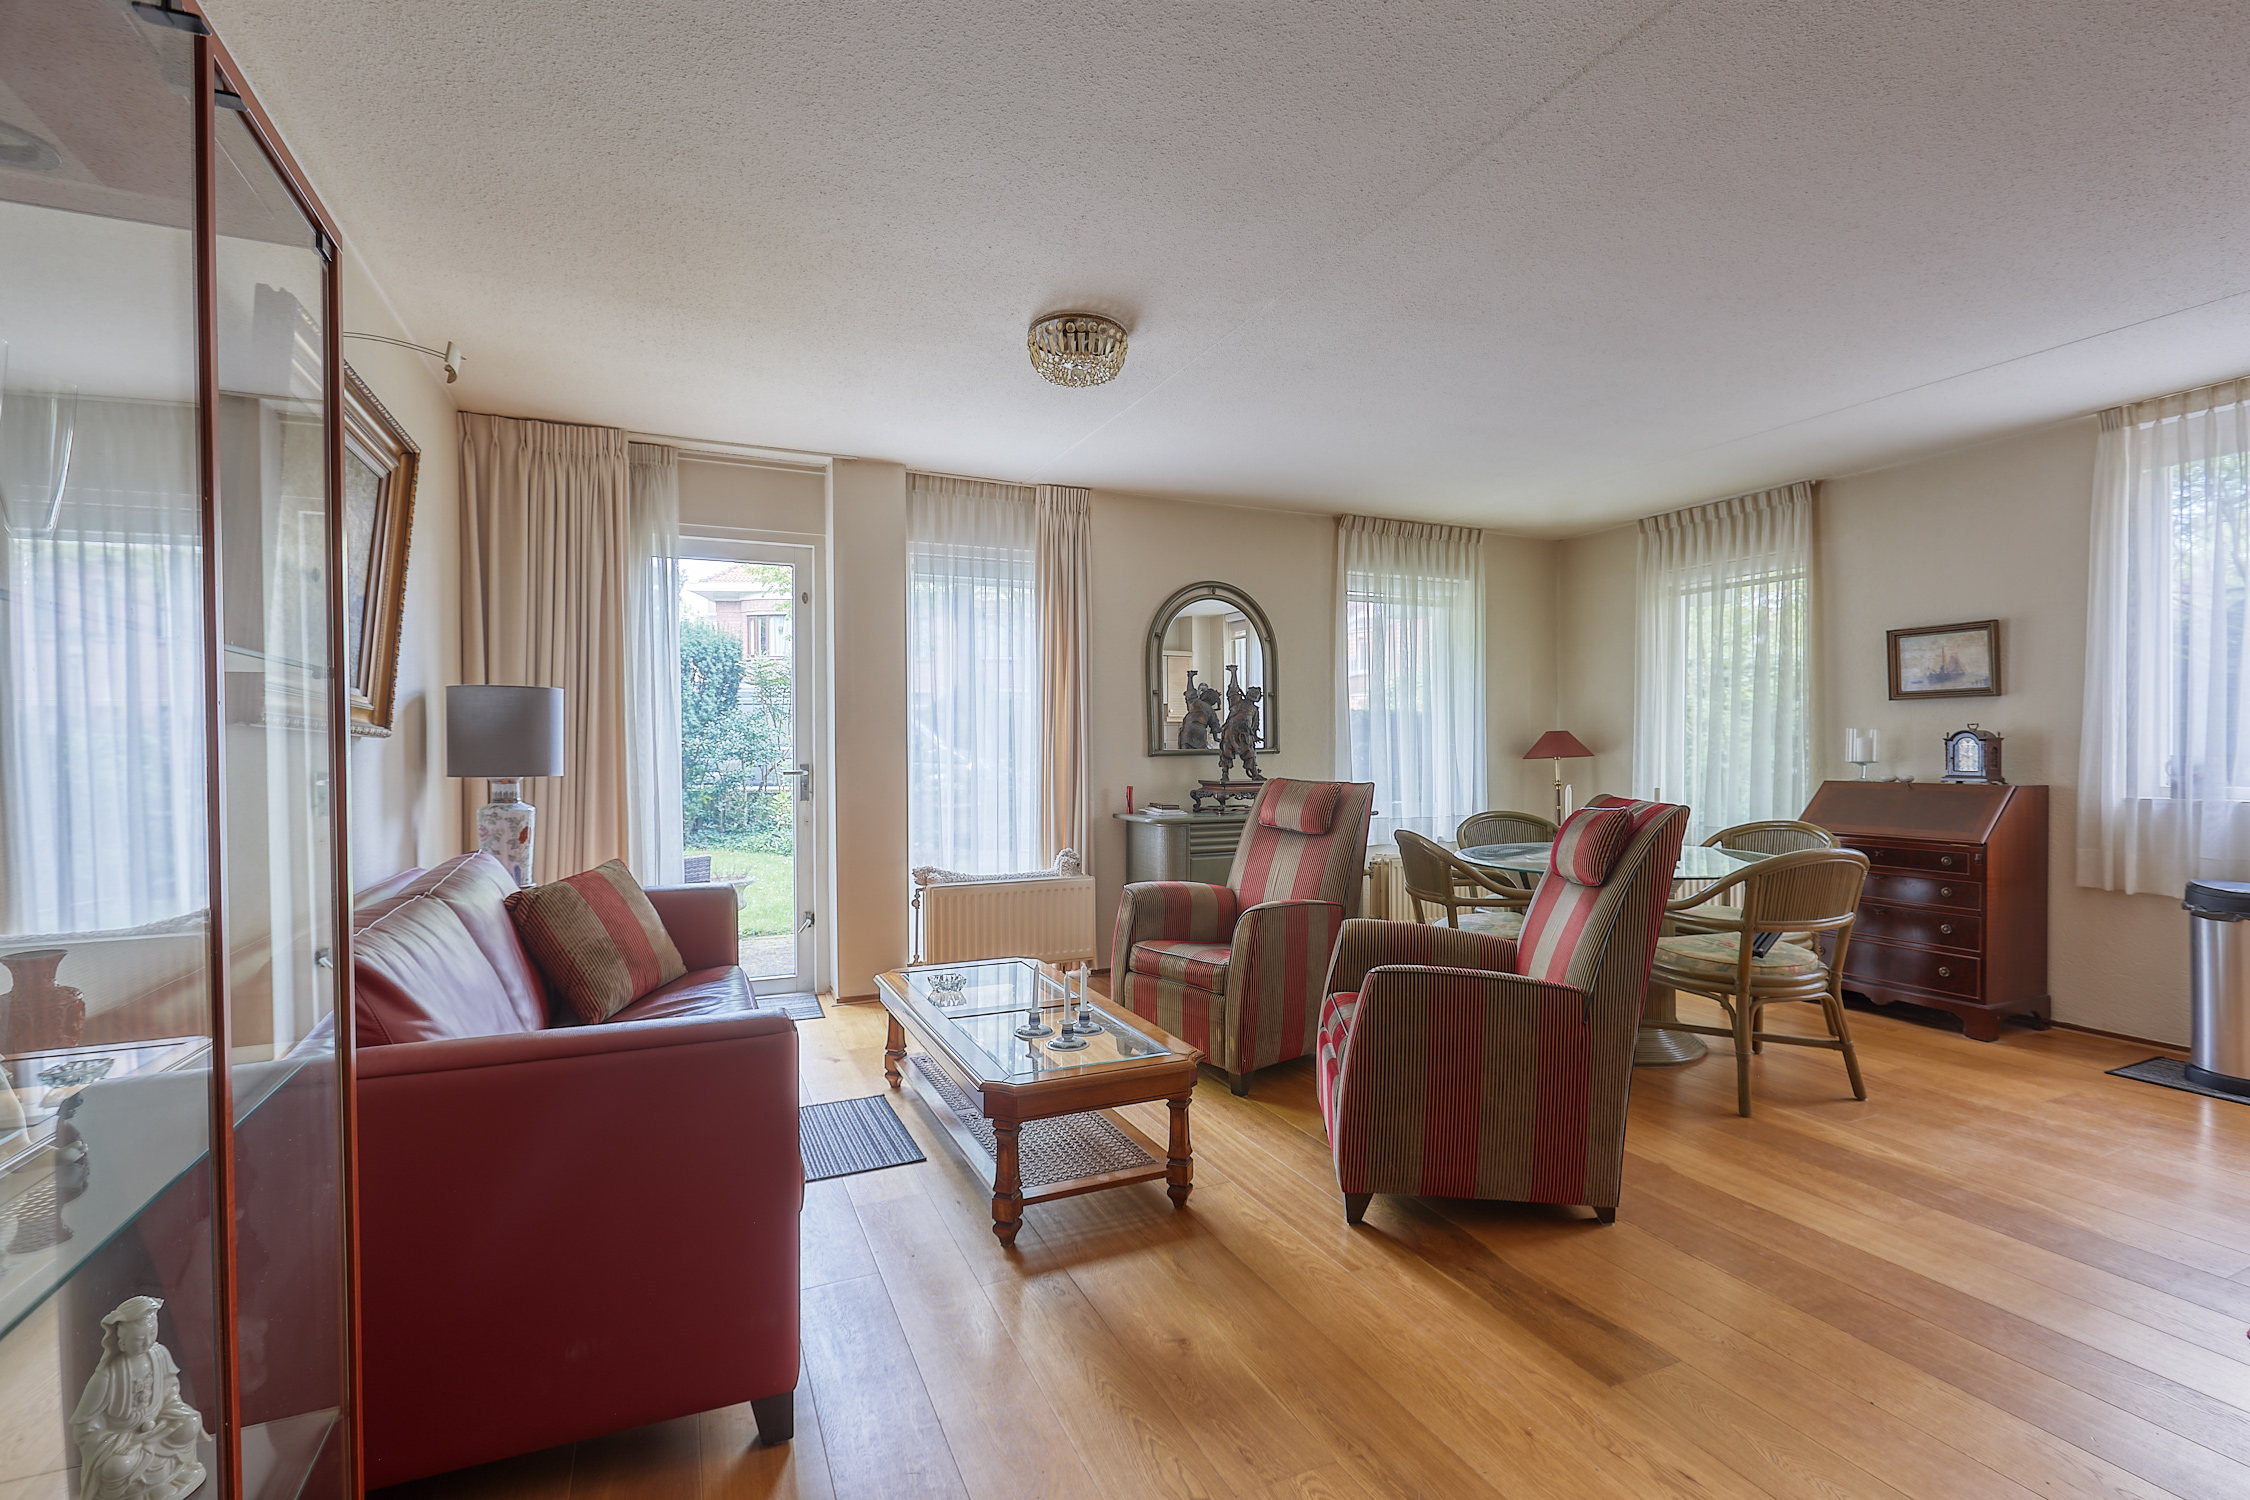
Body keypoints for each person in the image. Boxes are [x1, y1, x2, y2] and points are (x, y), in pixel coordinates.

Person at [71, 1297, 209, 1500]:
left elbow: (170, 1391)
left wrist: (172, 1411)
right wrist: (110, 1442)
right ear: (121, 1342)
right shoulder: (108, 1376)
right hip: (125, 1439)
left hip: (160, 1428)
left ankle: (178, 1472)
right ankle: (139, 1492)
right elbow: (84, 1427)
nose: (147, 1342)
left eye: (152, 1333)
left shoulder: (160, 1355)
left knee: (192, 1422)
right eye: (139, 1339)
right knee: (117, 1467)